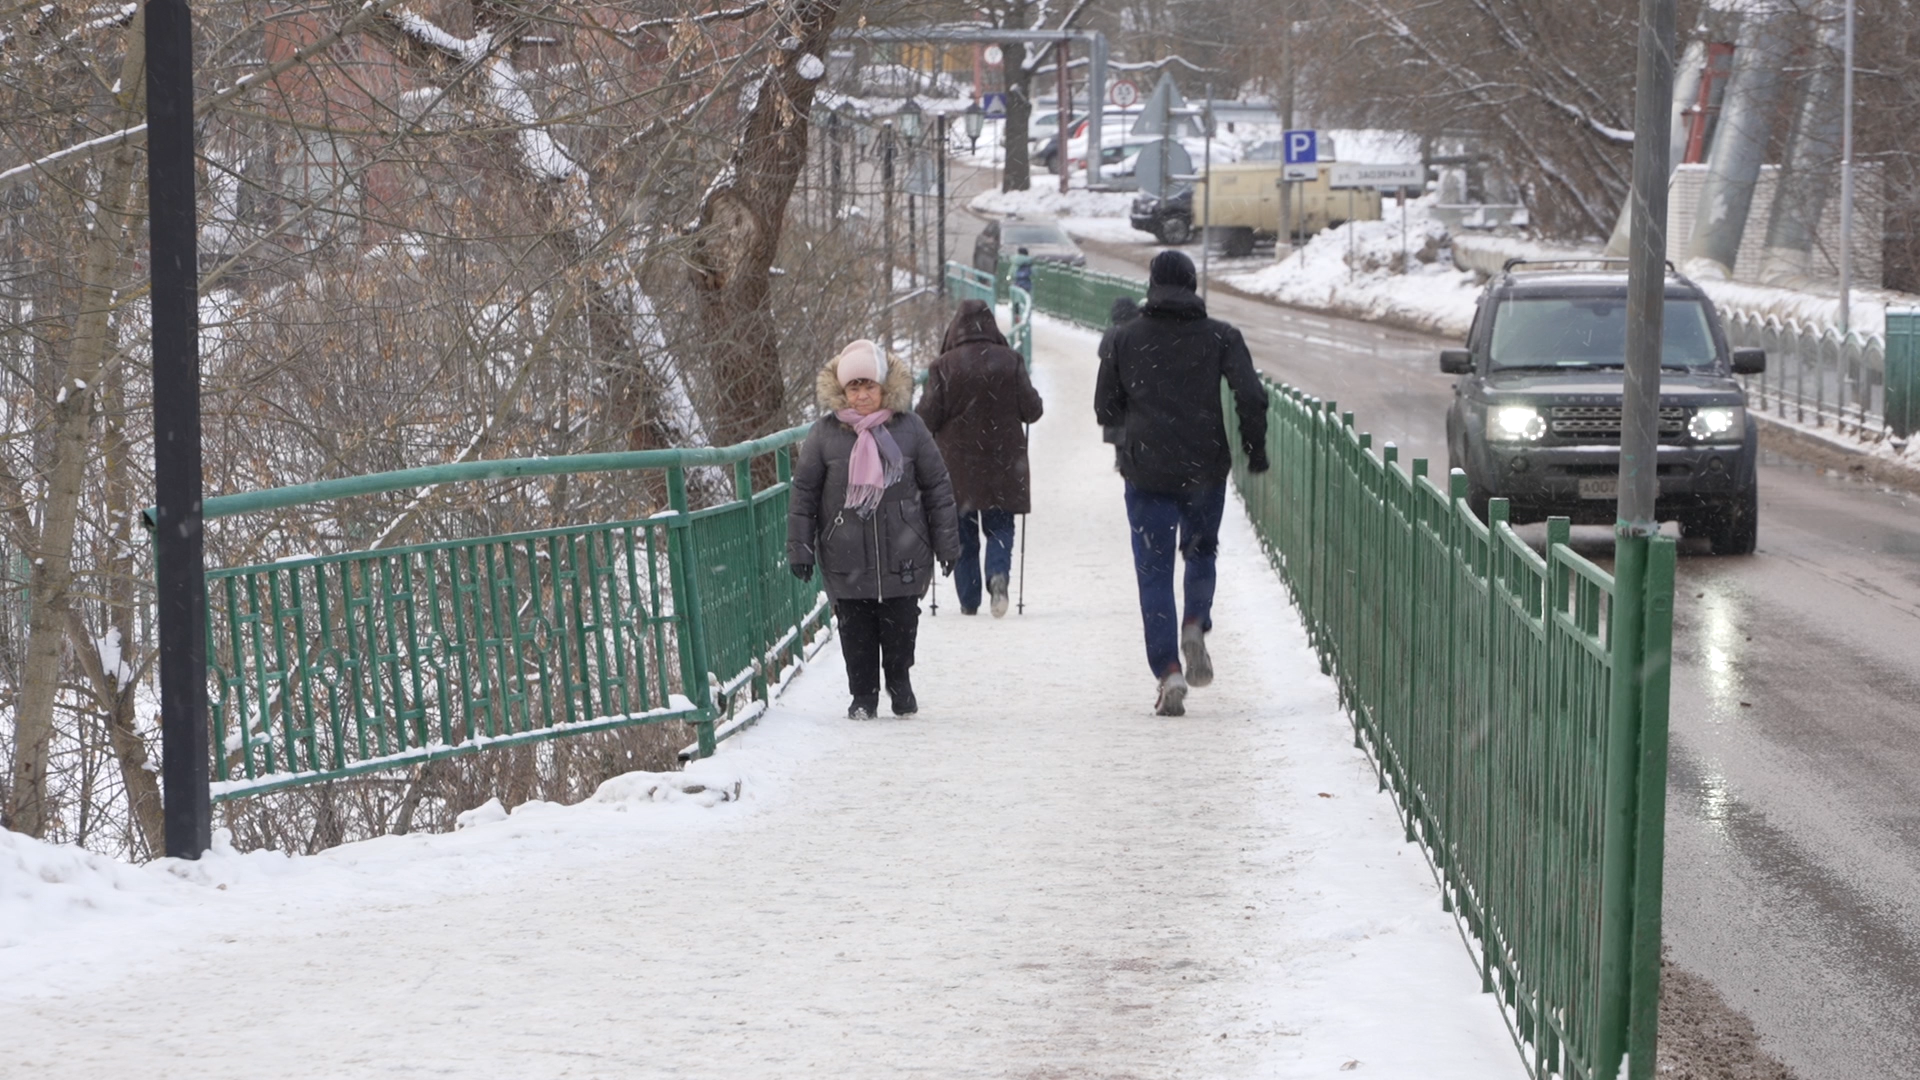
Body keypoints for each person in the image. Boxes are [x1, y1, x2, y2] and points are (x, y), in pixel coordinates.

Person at [1094, 250, 1268, 717]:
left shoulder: (1123, 338)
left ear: (1151, 284)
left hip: (1146, 470)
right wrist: (1256, 448)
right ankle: (1195, 621)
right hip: (1204, 469)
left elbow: (1104, 410)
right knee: (1200, 551)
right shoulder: (1220, 336)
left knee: (1152, 572)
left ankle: (1169, 670)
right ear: (1192, 285)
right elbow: (1251, 396)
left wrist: (1129, 432)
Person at [789, 339, 962, 719]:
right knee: (856, 632)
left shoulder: (910, 428)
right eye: (854, 387)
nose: (862, 395)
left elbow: (937, 486)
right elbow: (804, 494)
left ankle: (899, 681)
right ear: (842, 390)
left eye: (869, 386)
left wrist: (947, 544)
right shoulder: (825, 435)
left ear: (884, 387)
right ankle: (862, 696)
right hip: (846, 552)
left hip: (905, 551)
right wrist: (799, 548)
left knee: (901, 626)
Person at [917, 299, 1045, 617]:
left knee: (963, 533)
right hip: (1004, 463)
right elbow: (1033, 410)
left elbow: (926, 419)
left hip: (957, 468)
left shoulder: (943, 366)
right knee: (1000, 526)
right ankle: (997, 576)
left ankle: (969, 599)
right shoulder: (1010, 360)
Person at [1098, 295, 1140, 469]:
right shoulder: (1135, 333)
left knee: (1118, 425)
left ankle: (1119, 456)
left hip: (1114, 389)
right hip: (1132, 387)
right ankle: (1127, 455)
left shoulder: (1111, 334)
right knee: (1129, 424)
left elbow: (1101, 353)